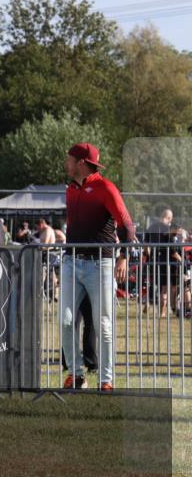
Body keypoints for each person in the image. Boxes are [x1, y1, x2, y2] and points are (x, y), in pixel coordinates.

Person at [60, 142, 135, 392]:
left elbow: (127, 225)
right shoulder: (71, 189)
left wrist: (123, 257)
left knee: (103, 324)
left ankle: (106, 380)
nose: (66, 163)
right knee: (66, 321)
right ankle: (76, 374)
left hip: (100, 264)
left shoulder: (105, 187)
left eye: (69, 159)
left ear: (81, 162)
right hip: (71, 262)